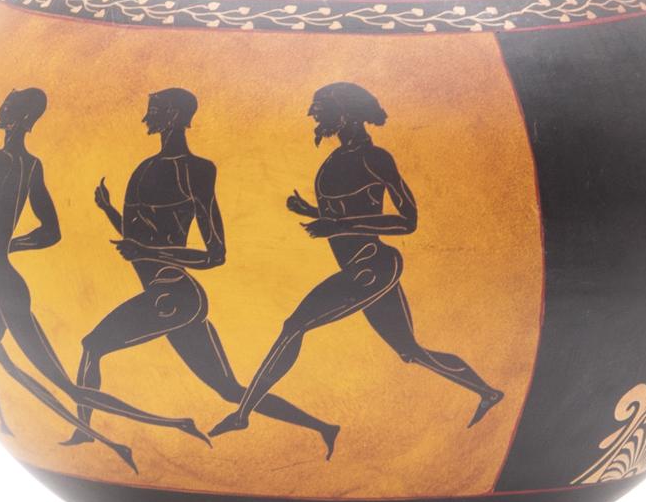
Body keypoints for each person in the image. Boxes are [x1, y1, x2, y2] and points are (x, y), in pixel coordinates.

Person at [0, 87, 208, 472]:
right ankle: (64, 432)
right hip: (4, 281)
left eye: (6, 107)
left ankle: (170, 424)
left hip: (5, 287)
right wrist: (9, 246)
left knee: (63, 383)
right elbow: (49, 232)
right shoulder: (32, 165)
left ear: (21, 117)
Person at [210, 82, 503, 441]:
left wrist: (338, 225)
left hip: (372, 265)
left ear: (345, 110)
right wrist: (311, 211)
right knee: (409, 351)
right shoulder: (335, 159)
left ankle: (243, 414)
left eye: (320, 106)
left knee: (294, 326)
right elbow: (348, 213)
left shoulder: (374, 157)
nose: (312, 113)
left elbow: (407, 220)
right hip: (361, 268)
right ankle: (488, 392)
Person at [68, 88, 340, 458]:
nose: (146, 118)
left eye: (154, 111)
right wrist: (109, 211)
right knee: (229, 389)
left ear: (173, 115)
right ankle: (324, 427)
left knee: (92, 345)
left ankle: (83, 432)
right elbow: (135, 241)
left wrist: (146, 251)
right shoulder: (143, 169)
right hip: (171, 299)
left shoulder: (196, 171)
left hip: (173, 295)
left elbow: (214, 255)